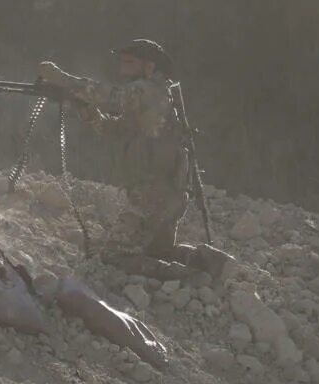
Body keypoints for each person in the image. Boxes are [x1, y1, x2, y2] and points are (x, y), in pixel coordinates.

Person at [36, 39, 233, 280]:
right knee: (158, 250)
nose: (122, 68)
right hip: (167, 192)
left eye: (129, 63)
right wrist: (87, 112)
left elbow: (111, 98)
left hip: (152, 193)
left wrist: (62, 79)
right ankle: (208, 262)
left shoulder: (146, 90)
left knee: (114, 255)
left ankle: (185, 277)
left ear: (149, 68)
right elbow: (115, 131)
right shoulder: (154, 98)